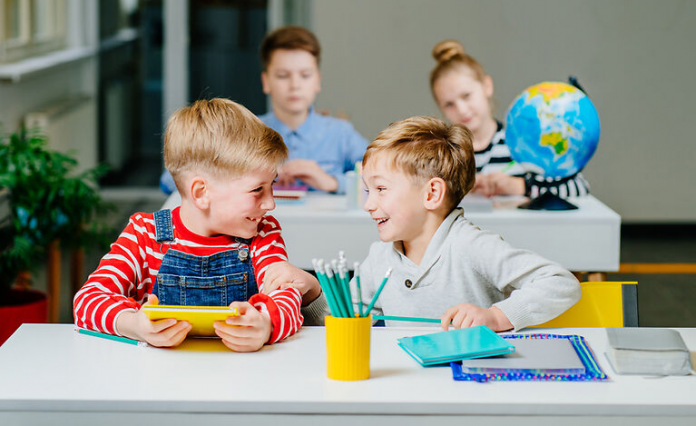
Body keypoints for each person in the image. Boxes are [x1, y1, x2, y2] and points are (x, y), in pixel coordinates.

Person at [74, 98, 321, 351]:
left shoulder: (264, 233)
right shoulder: (144, 233)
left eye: (272, 185)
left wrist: (266, 324)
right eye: (257, 189)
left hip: (242, 379)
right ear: (201, 193)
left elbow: (287, 295)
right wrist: (135, 324)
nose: (270, 203)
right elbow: (88, 300)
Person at [355, 116, 580, 331]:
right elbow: (341, 317)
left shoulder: (472, 245)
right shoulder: (379, 258)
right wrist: (317, 298)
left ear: (432, 193)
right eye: (368, 191)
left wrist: (496, 316)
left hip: (470, 369)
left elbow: (559, 283)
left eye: (381, 189)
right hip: (406, 371)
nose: (368, 205)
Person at [429, 40, 590, 199]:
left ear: (487, 86)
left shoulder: (523, 145)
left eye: (467, 96)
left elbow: (578, 186)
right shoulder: (445, 157)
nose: (462, 110)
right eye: (448, 104)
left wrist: (520, 186)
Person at [257, 26, 368, 194]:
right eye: (283, 76)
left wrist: (331, 182)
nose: (295, 85)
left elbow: (384, 177)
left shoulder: (340, 133)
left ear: (317, 80)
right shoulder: (248, 134)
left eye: (305, 75)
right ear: (266, 82)